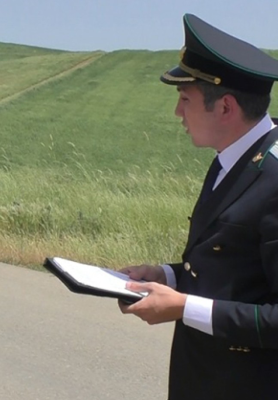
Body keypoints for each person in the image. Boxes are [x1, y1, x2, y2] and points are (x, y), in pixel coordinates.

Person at [118, 14, 278, 400]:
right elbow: (236, 270)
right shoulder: (232, 159)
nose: (178, 113)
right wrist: (166, 277)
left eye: (185, 99)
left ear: (225, 107)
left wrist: (184, 307)